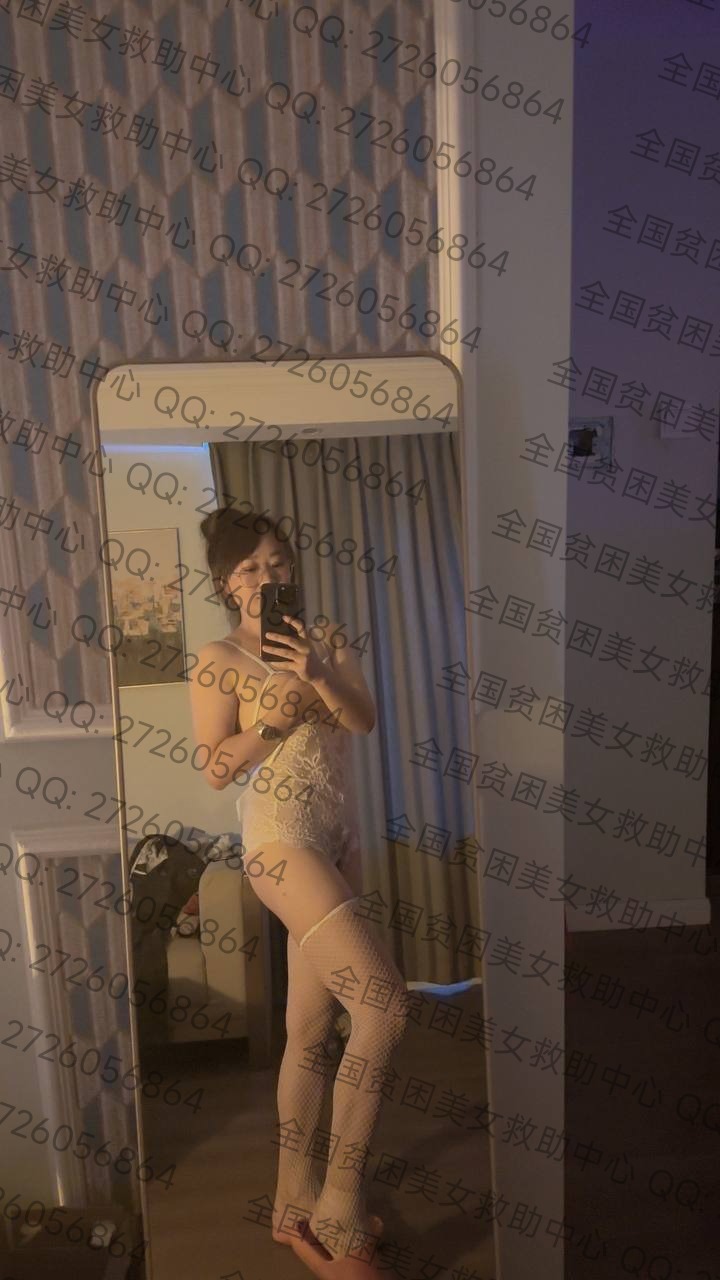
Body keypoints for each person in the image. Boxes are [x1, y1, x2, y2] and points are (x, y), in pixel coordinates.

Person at [190, 508, 409, 1275]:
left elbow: (364, 720)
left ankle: (292, 1198)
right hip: (279, 843)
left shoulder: (327, 640)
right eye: (249, 568)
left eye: (277, 562)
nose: (267, 576)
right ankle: (339, 1207)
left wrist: (316, 673)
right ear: (227, 584)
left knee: (310, 1031)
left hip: (337, 842)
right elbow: (215, 768)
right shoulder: (217, 658)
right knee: (383, 1007)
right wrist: (271, 724)